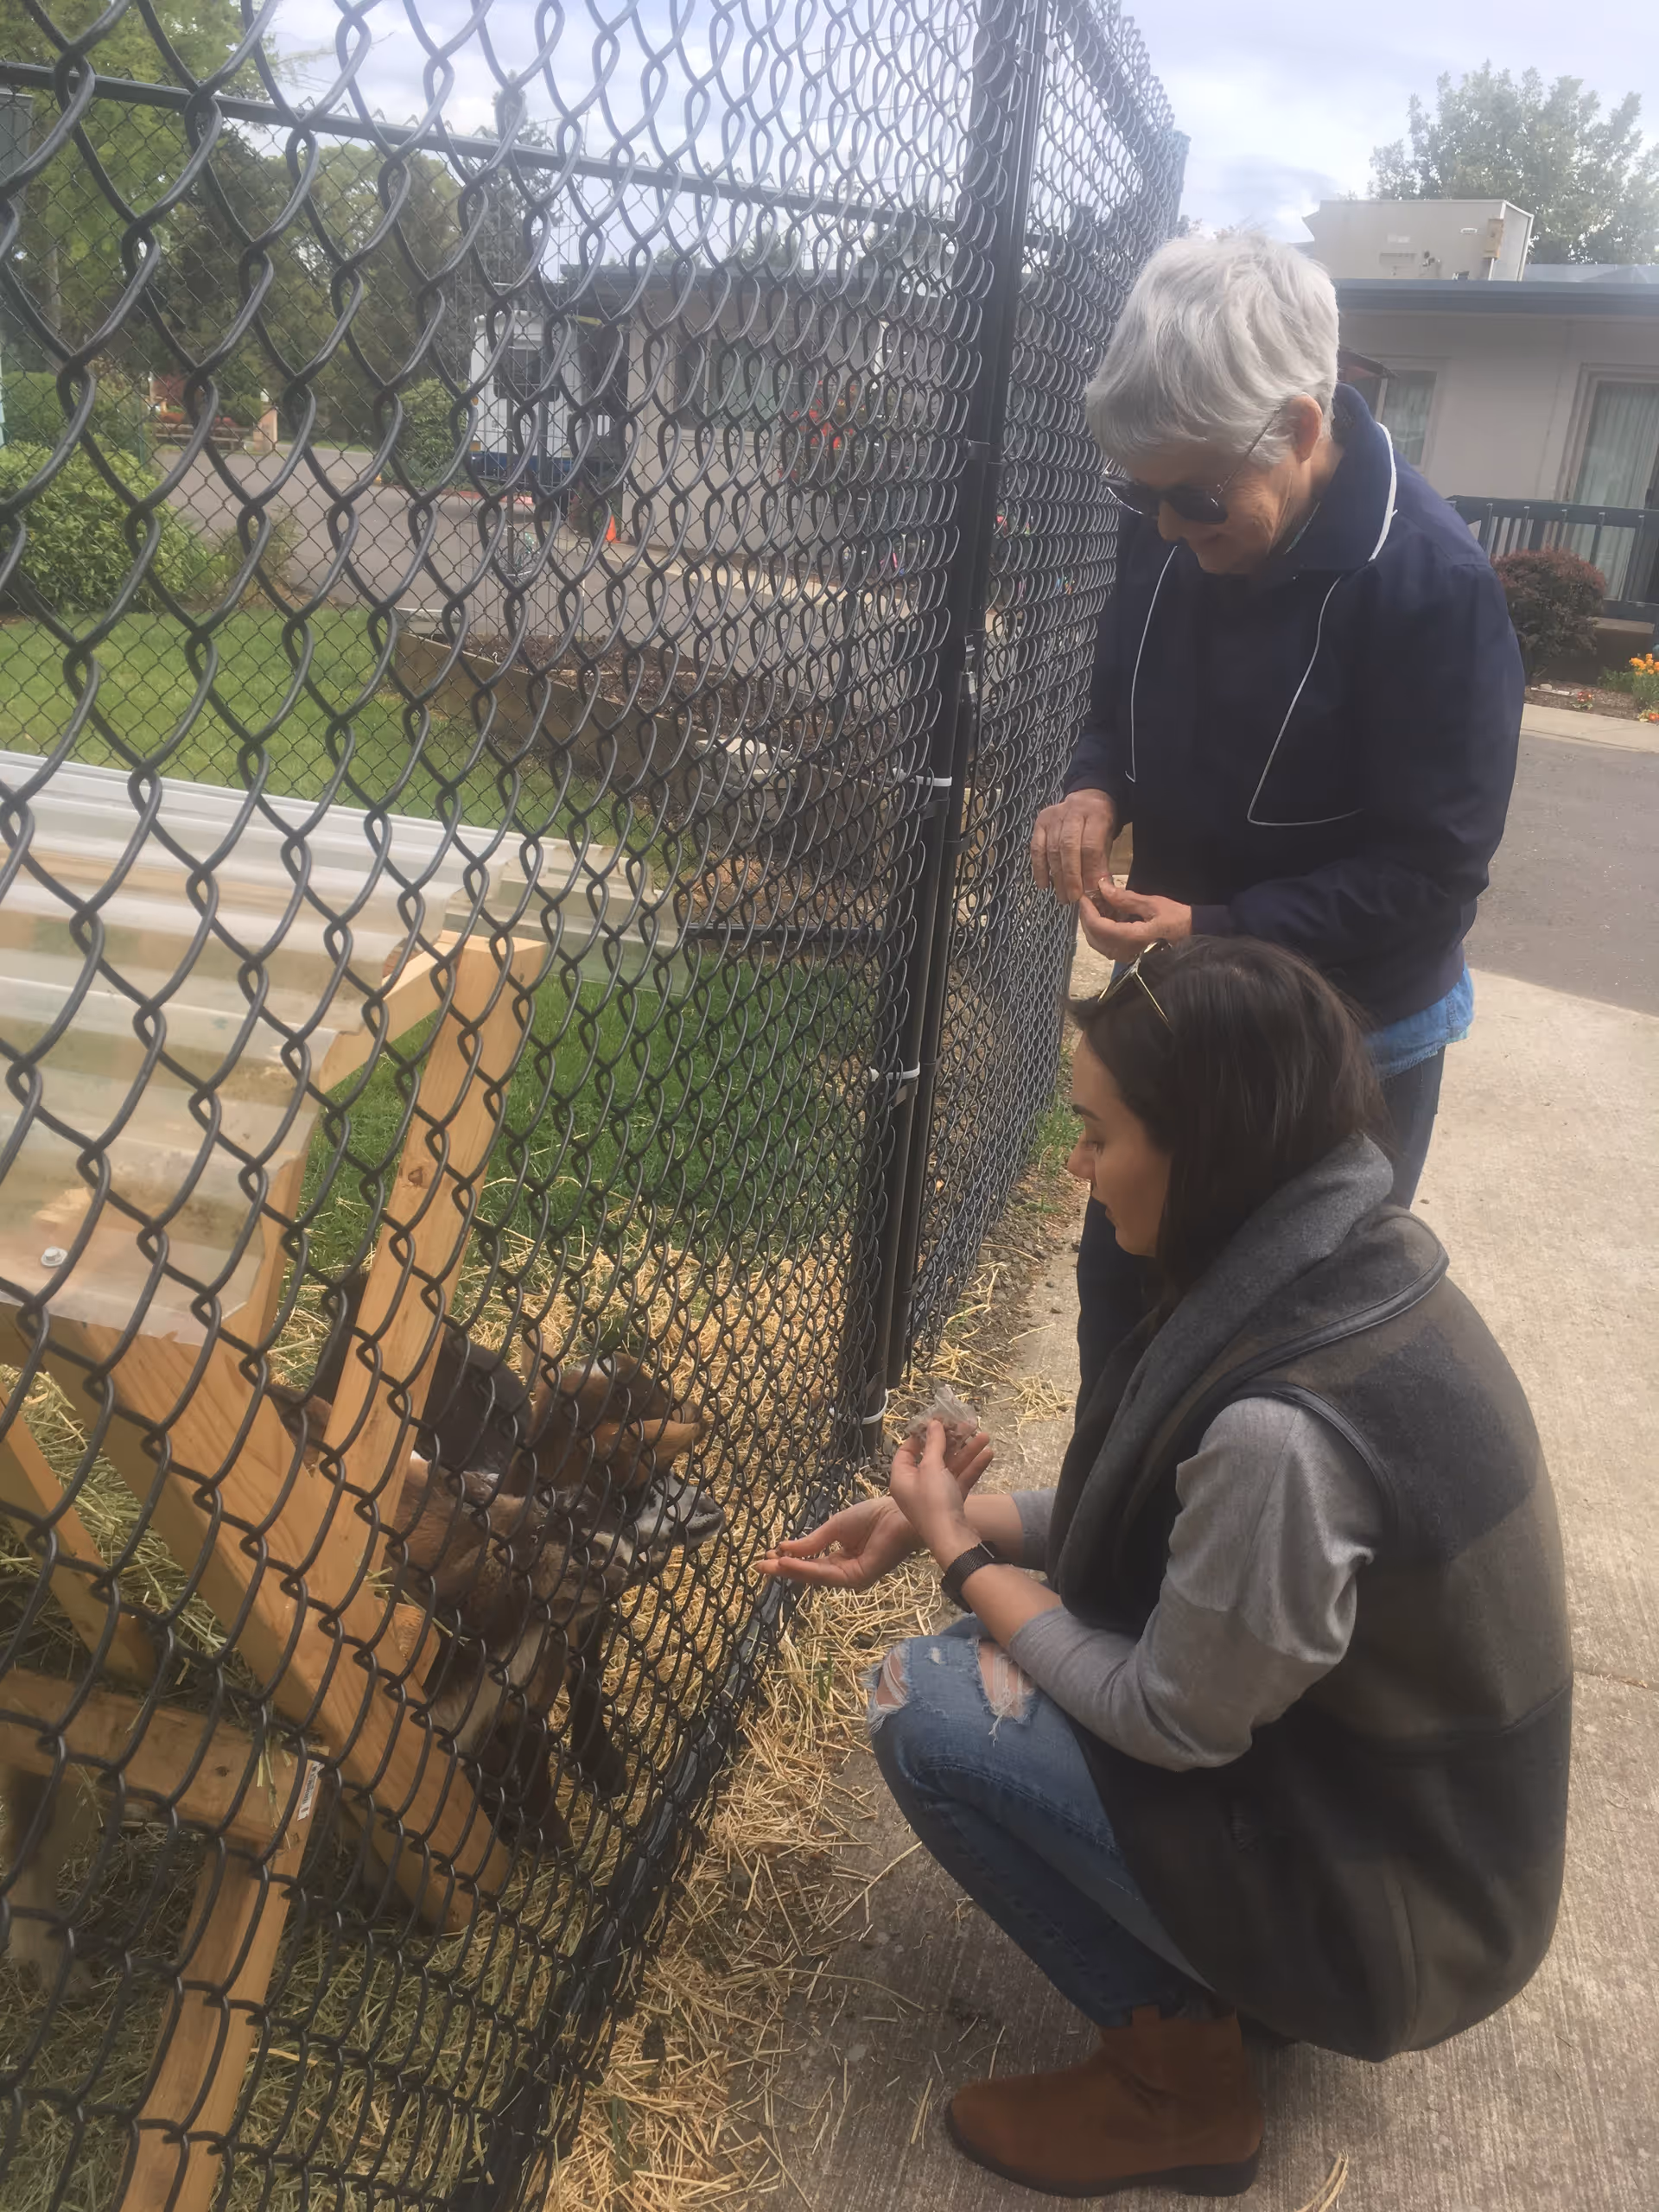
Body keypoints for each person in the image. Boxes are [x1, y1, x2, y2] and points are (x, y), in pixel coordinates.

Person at [764, 938, 1569, 2199]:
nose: (1077, 1167)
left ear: (1206, 1149)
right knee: (1026, 1645)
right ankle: (1232, 1982)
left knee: (923, 1707)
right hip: (1412, 1827)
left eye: (1097, 1133)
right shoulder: (1341, 1260)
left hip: (1398, 1920)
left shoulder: (1279, 1437)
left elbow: (1168, 1717)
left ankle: (1180, 2089)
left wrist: (963, 1556)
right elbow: (1201, 1542)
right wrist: (951, 1515)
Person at [1029, 232, 1523, 1392]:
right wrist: (1098, 783)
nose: (1161, 530)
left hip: (1340, 1045)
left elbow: (1430, 875)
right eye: (1136, 493)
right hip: (1179, 1008)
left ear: (1302, 430)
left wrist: (1215, 927)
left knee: (1279, 1366)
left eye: (1192, 497)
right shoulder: (1179, 509)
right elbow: (1118, 698)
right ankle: (1105, 1566)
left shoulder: (1433, 590)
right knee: (1129, 1322)